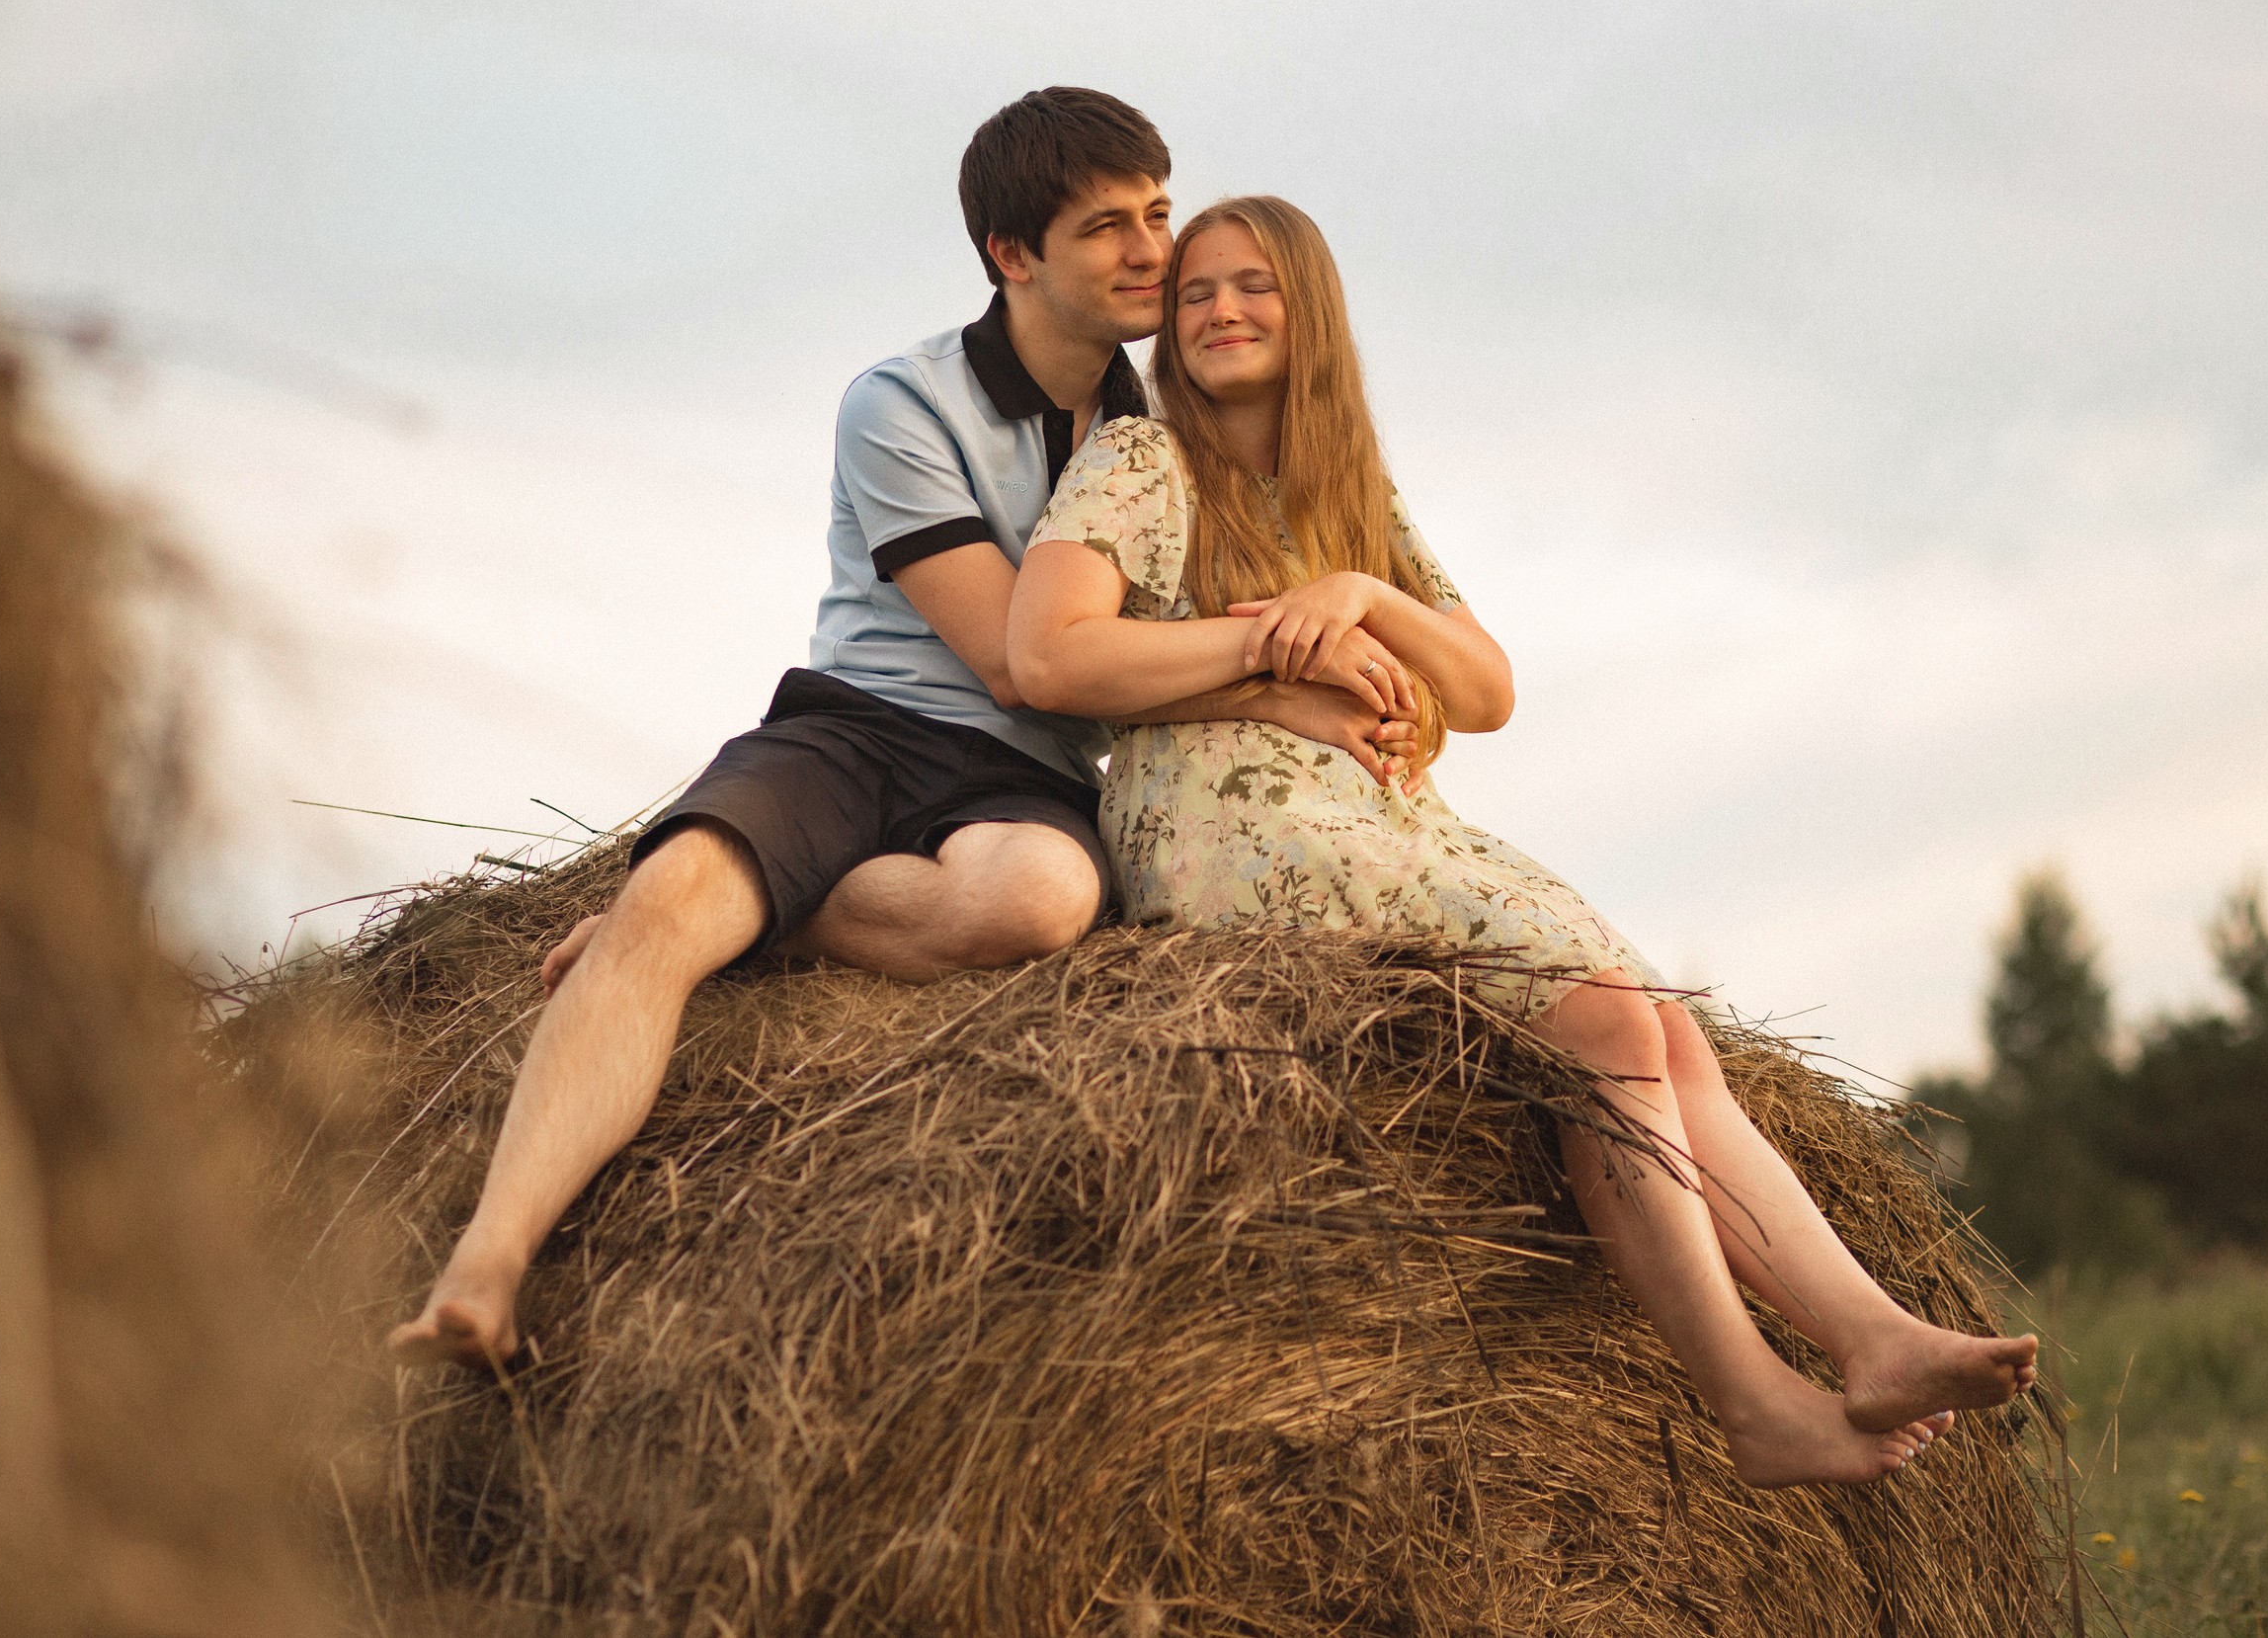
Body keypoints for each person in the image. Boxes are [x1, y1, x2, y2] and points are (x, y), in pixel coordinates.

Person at [1005, 195, 2039, 1489]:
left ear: (1308, 307)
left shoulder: (1349, 496)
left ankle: (1870, 1335)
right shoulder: (1142, 465)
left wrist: (1365, 592)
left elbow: (1487, 691)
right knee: (1610, 1021)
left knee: (1645, 1024)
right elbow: (1048, 653)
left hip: (1376, 813)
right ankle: (1753, 1399)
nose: (1218, 309)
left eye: (1253, 286)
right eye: (1197, 290)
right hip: (1230, 819)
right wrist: (1272, 651)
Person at [387, 94, 1414, 1370]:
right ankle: (483, 1272)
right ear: (1012, 257)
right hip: (857, 731)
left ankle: (756, 919)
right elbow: (1018, 660)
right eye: (1109, 228)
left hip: (1023, 782)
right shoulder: (901, 403)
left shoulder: (1169, 433)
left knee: (1039, 900)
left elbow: (1066, 700)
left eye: (1158, 211)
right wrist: (1267, 677)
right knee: (668, 911)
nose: (1157, 250)